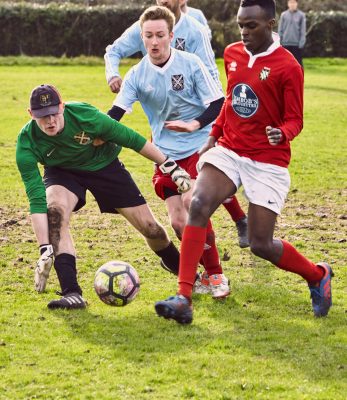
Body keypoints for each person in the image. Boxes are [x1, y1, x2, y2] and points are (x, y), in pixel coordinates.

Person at [154, 0, 333, 324]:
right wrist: (212, 138)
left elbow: (296, 119)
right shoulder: (234, 54)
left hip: (267, 160)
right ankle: (184, 297)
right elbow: (230, 101)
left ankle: (317, 275)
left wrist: (282, 133)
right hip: (230, 149)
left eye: (252, 26)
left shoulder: (288, 66)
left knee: (261, 244)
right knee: (198, 203)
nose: (244, 32)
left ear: (271, 24)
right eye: (241, 25)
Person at [16, 84, 192, 309]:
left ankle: (180, 271)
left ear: (62, 107)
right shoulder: (27, 141)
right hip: (62, 172)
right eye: (42, 117)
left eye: (53, 113)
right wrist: (44, 248)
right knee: (55, 213)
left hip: (105, 166)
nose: (49, 121)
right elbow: (36, 198)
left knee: (151, 229)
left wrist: (168, 165)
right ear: (31, 115)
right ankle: (72, 293)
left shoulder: (85, 116)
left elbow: (131, 138)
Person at [108, 5, 230, 297]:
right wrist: (92, 133)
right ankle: (198, 274)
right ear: (142, 37)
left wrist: (194, 124)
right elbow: (116, 113)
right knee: (177, 221)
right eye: (148, 36)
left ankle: (216, 276)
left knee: (192, 202)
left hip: (199, 147)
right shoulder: (137, 74)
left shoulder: (190, 64)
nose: (154, 42)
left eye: (160, 35)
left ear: (171, 36)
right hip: (164, 155)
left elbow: (218, 103)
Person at [278, 0, 306, 66]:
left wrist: (301, 43)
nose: (292, 4)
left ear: (297, 3)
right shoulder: (283, 15)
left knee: (298, 65)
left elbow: (303, 30)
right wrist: (280, 42)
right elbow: (280, 30)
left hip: (297, 45)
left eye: (294, 2)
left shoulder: (301, 15)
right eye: (290, 2)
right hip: (285, 44)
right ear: (288, 4)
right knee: (285, 64)